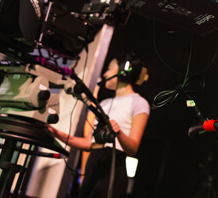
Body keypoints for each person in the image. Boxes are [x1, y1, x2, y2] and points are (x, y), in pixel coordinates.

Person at [50, 54, 150, 198]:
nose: (105, 74)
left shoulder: (139, 103)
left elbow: (133, 149)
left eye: (109, 69)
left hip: (114, 166)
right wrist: (55, 133)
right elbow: (88, 143)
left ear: (123, 72)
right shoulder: (104, 104)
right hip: (93, 164)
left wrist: (118, 133)